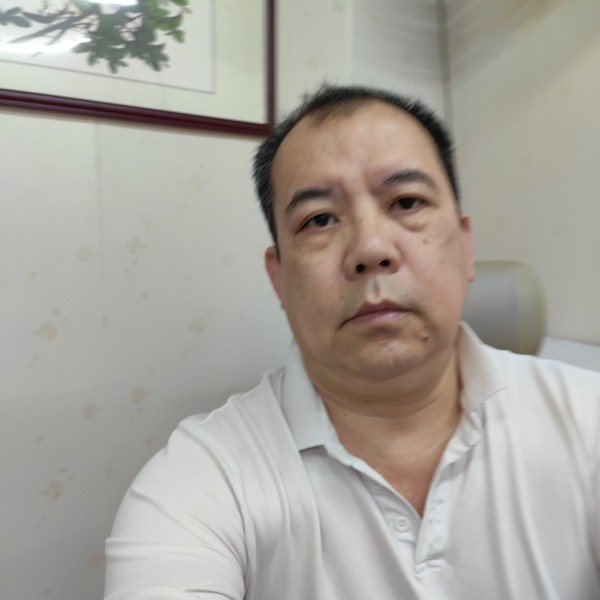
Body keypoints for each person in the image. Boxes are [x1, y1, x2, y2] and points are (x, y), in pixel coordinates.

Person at [104, 85, 600, 600]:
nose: (370, 248)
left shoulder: (587, 419)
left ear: (465, 244)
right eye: (319, 219)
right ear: (279, 279)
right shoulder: (202, 479)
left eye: (406, 202)